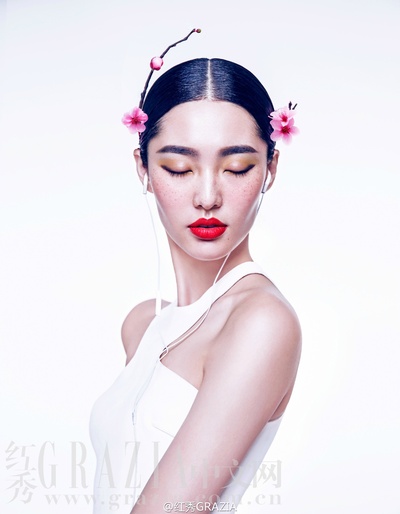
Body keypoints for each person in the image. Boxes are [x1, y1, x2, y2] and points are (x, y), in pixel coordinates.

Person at [90, 29, 301, 514]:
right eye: (179, 169)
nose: (208, 197)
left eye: (237, 167)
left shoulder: (260, 322)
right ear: (143, 168)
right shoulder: (143, 324)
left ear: (270, 169)